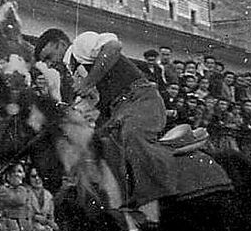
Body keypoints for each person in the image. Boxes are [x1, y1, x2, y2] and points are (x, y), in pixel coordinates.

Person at [60, 31, 175, 210]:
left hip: (141, 99)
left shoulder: (80, 45)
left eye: (47, 56)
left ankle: (158, 195)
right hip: (117, 110)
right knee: (98, 144)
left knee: (132, 134)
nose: (47, 64)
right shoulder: (73, 71)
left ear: (57, 45)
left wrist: (88, 82)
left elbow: (114, 46)